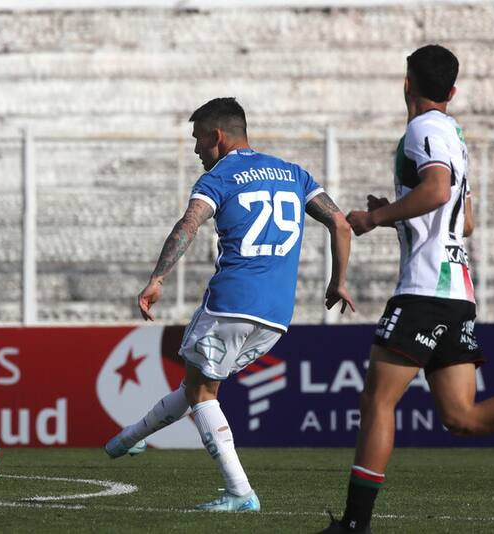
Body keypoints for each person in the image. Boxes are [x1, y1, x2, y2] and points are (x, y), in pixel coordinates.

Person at [105, 97, 355, 511]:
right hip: (276, 315)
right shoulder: (294, 173)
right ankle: (129, 439)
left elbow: (189, 225)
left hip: (232, 301)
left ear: (217, 136)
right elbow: (341, 223)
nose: (198, 150)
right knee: (198, 385)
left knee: (203, 392)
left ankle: (240, 493)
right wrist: (338, 281)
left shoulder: (219, 178)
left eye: (199, 140)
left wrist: (158, 277)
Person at [320, 44, 494, 534]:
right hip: (457, 289)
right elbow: (464, 222)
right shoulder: (455, 135)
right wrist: (398, 211)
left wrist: (373, 217)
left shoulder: (422, 130)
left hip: (425, 290)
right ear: (451, 91)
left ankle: (354, 524)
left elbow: (438, 192)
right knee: (462, 417)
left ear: (407, 83)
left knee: (376, 402)